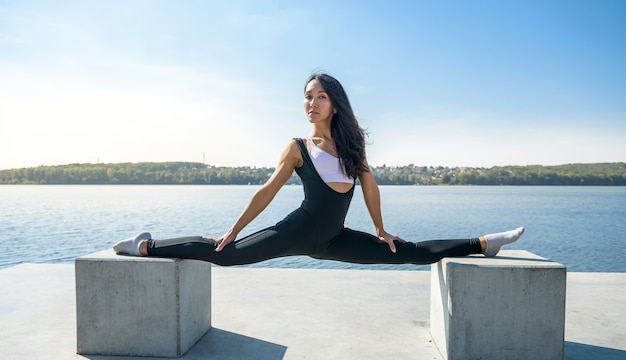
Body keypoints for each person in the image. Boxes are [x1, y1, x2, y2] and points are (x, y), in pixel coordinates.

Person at [114, 73, 524, 265]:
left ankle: (483, 243)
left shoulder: (351, 145)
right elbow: (268, 190)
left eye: (321, 96)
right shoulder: (297, 147)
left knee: (406, 252)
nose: (312, 102)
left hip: (334, 240)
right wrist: (234, 229)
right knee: (224, 255)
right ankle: (145, 246)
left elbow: (370, 190)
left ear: (335, 102)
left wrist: (381, 229)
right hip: (294, 231)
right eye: (307, 96)